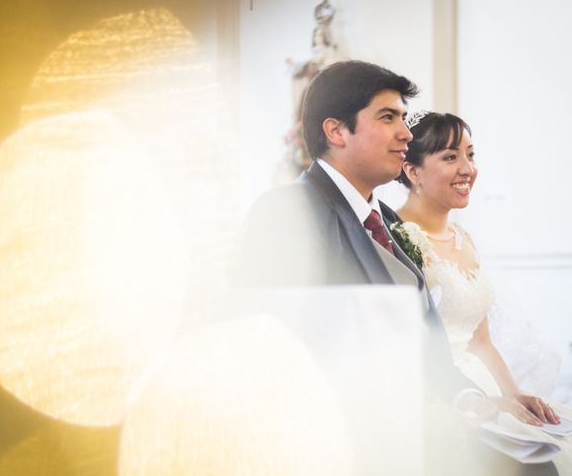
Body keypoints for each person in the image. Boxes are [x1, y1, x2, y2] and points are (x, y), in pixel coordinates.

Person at [231, 60, 558, 475]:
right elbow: (277, 362)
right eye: (388, 117)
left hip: (429, 428)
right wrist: (414, 415)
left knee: (537, 463)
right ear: (336, 131)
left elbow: (428, 349)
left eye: (403, 118)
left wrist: (470, 400)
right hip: (357, 446)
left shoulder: (389, 221)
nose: (405, 133)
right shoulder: (288, 212)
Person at [394, 111, 561, 426]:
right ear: (412, 171)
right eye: (450, 157)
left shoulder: (463, 237)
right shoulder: (400, 236)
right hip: (442, 397)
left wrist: (513, 393)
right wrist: (465, 403)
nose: (467, 169)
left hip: (483, 388)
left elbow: (480, 340)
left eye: (470, 155)